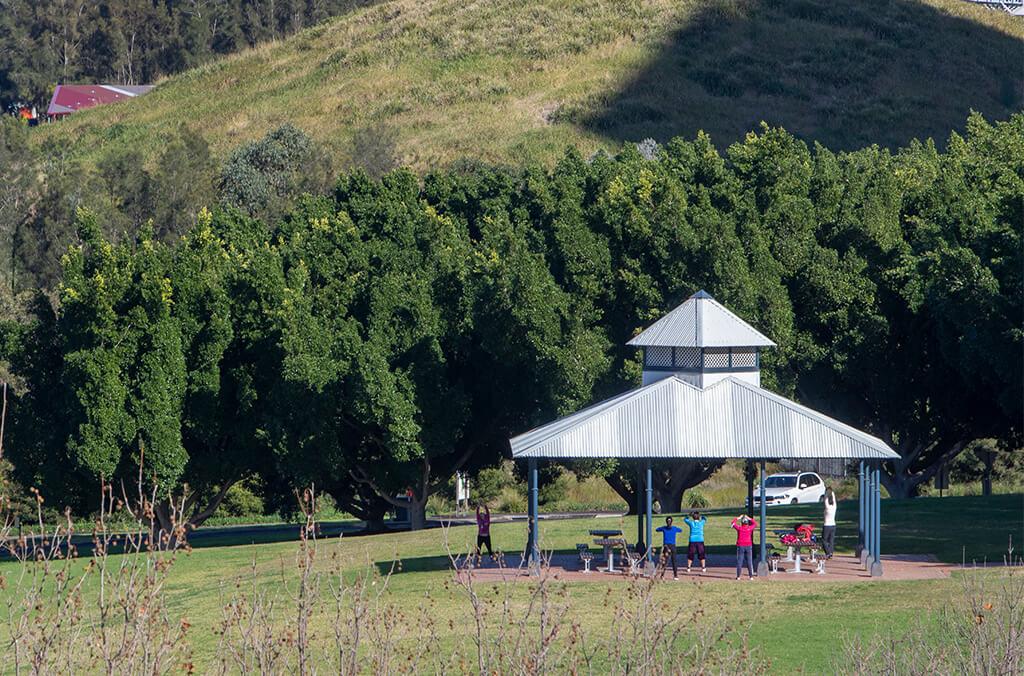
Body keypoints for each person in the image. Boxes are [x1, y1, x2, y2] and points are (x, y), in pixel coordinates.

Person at [732, 514, 758, 580]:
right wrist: (749, 518)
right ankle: (751, 576)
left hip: (740, 545)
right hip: (748, 546)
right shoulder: (749, 528)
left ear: (742, 523)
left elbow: (732, 523)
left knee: (739, 561)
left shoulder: (739, 528)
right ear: (747, 523)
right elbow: (755, 524)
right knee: (749, 561)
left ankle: (738, 576)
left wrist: (738, 518)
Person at [822, 486, 837, 559]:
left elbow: (825, 499)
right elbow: (833, 499)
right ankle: (831, 552)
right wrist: (832, 492)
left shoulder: (827, 507)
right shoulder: (834, 507)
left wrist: (827, 493)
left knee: (824, 540)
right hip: (833, 525)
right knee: (831, 540)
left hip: (827, 525)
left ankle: (828, 552)